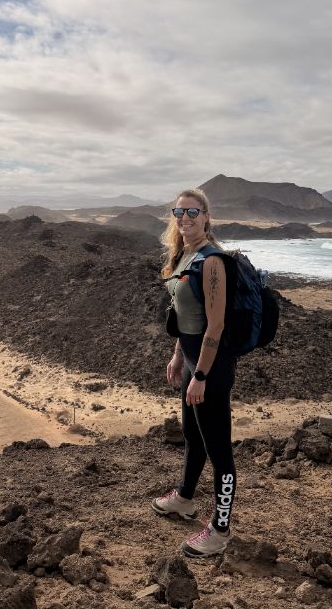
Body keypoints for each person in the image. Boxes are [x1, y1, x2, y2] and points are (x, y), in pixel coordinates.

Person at [151, 188, 237, 558]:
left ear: (206, 216)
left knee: (219, 448)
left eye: (192, 211)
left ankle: (220, 529)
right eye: (179, 211)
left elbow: (214, 326)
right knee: (191, 433)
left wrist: (201, 375)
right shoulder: (184, 255)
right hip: (190, 360)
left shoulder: (212, 261)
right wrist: (178, 357)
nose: (184, 217)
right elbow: (183, 315)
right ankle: (185, 498)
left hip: (210, 368)